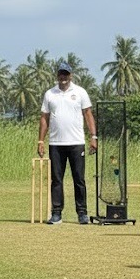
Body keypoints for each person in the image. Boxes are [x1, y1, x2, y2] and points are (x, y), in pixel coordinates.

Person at [36, 62, 96, 225]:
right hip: (56, 143)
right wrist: (41, 140)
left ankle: (82, 213)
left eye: (66, 74)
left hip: (76, 142)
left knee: (79, 179)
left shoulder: (80, 92)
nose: (63, 77)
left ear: (71, 75)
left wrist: (93, 137)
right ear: (57, 75)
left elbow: (88, 114)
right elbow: (44, 118)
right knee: (57, 179)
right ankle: (56, 213)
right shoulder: (50, 94)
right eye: (61, 74)